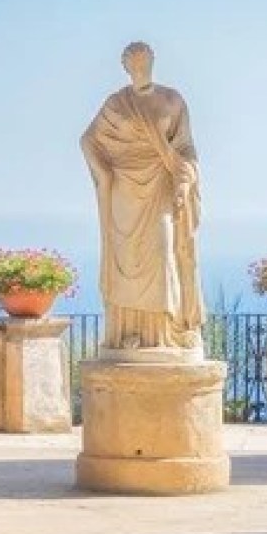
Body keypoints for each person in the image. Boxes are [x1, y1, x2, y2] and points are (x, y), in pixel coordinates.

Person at [80, 41, 204, 354]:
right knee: (127, 259)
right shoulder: (116, 103)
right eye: (133, 64)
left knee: (163, 252)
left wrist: (184, 182)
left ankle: (164, 334)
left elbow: (186, 148)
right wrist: (104, 174)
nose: (139, 69)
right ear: (125, 67)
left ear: (152, 62)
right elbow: (88, 140)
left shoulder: (171, 101)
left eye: (144, 62)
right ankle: (127, 332)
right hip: (123, 188)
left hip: (160, 184)